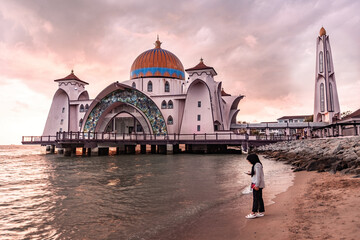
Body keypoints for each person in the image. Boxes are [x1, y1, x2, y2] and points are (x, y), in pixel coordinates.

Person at [245, 153, 265, 219]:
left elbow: (258, 176)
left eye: (249, 160)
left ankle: (253, 213)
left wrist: (257, 185)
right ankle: (261, 212)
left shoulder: (257, 165)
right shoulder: (256, 165)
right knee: (259, 198)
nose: (249, 162)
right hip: (257, 184)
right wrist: (251, 173)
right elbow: (257, 174)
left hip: (257, 184)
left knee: (256, 199)